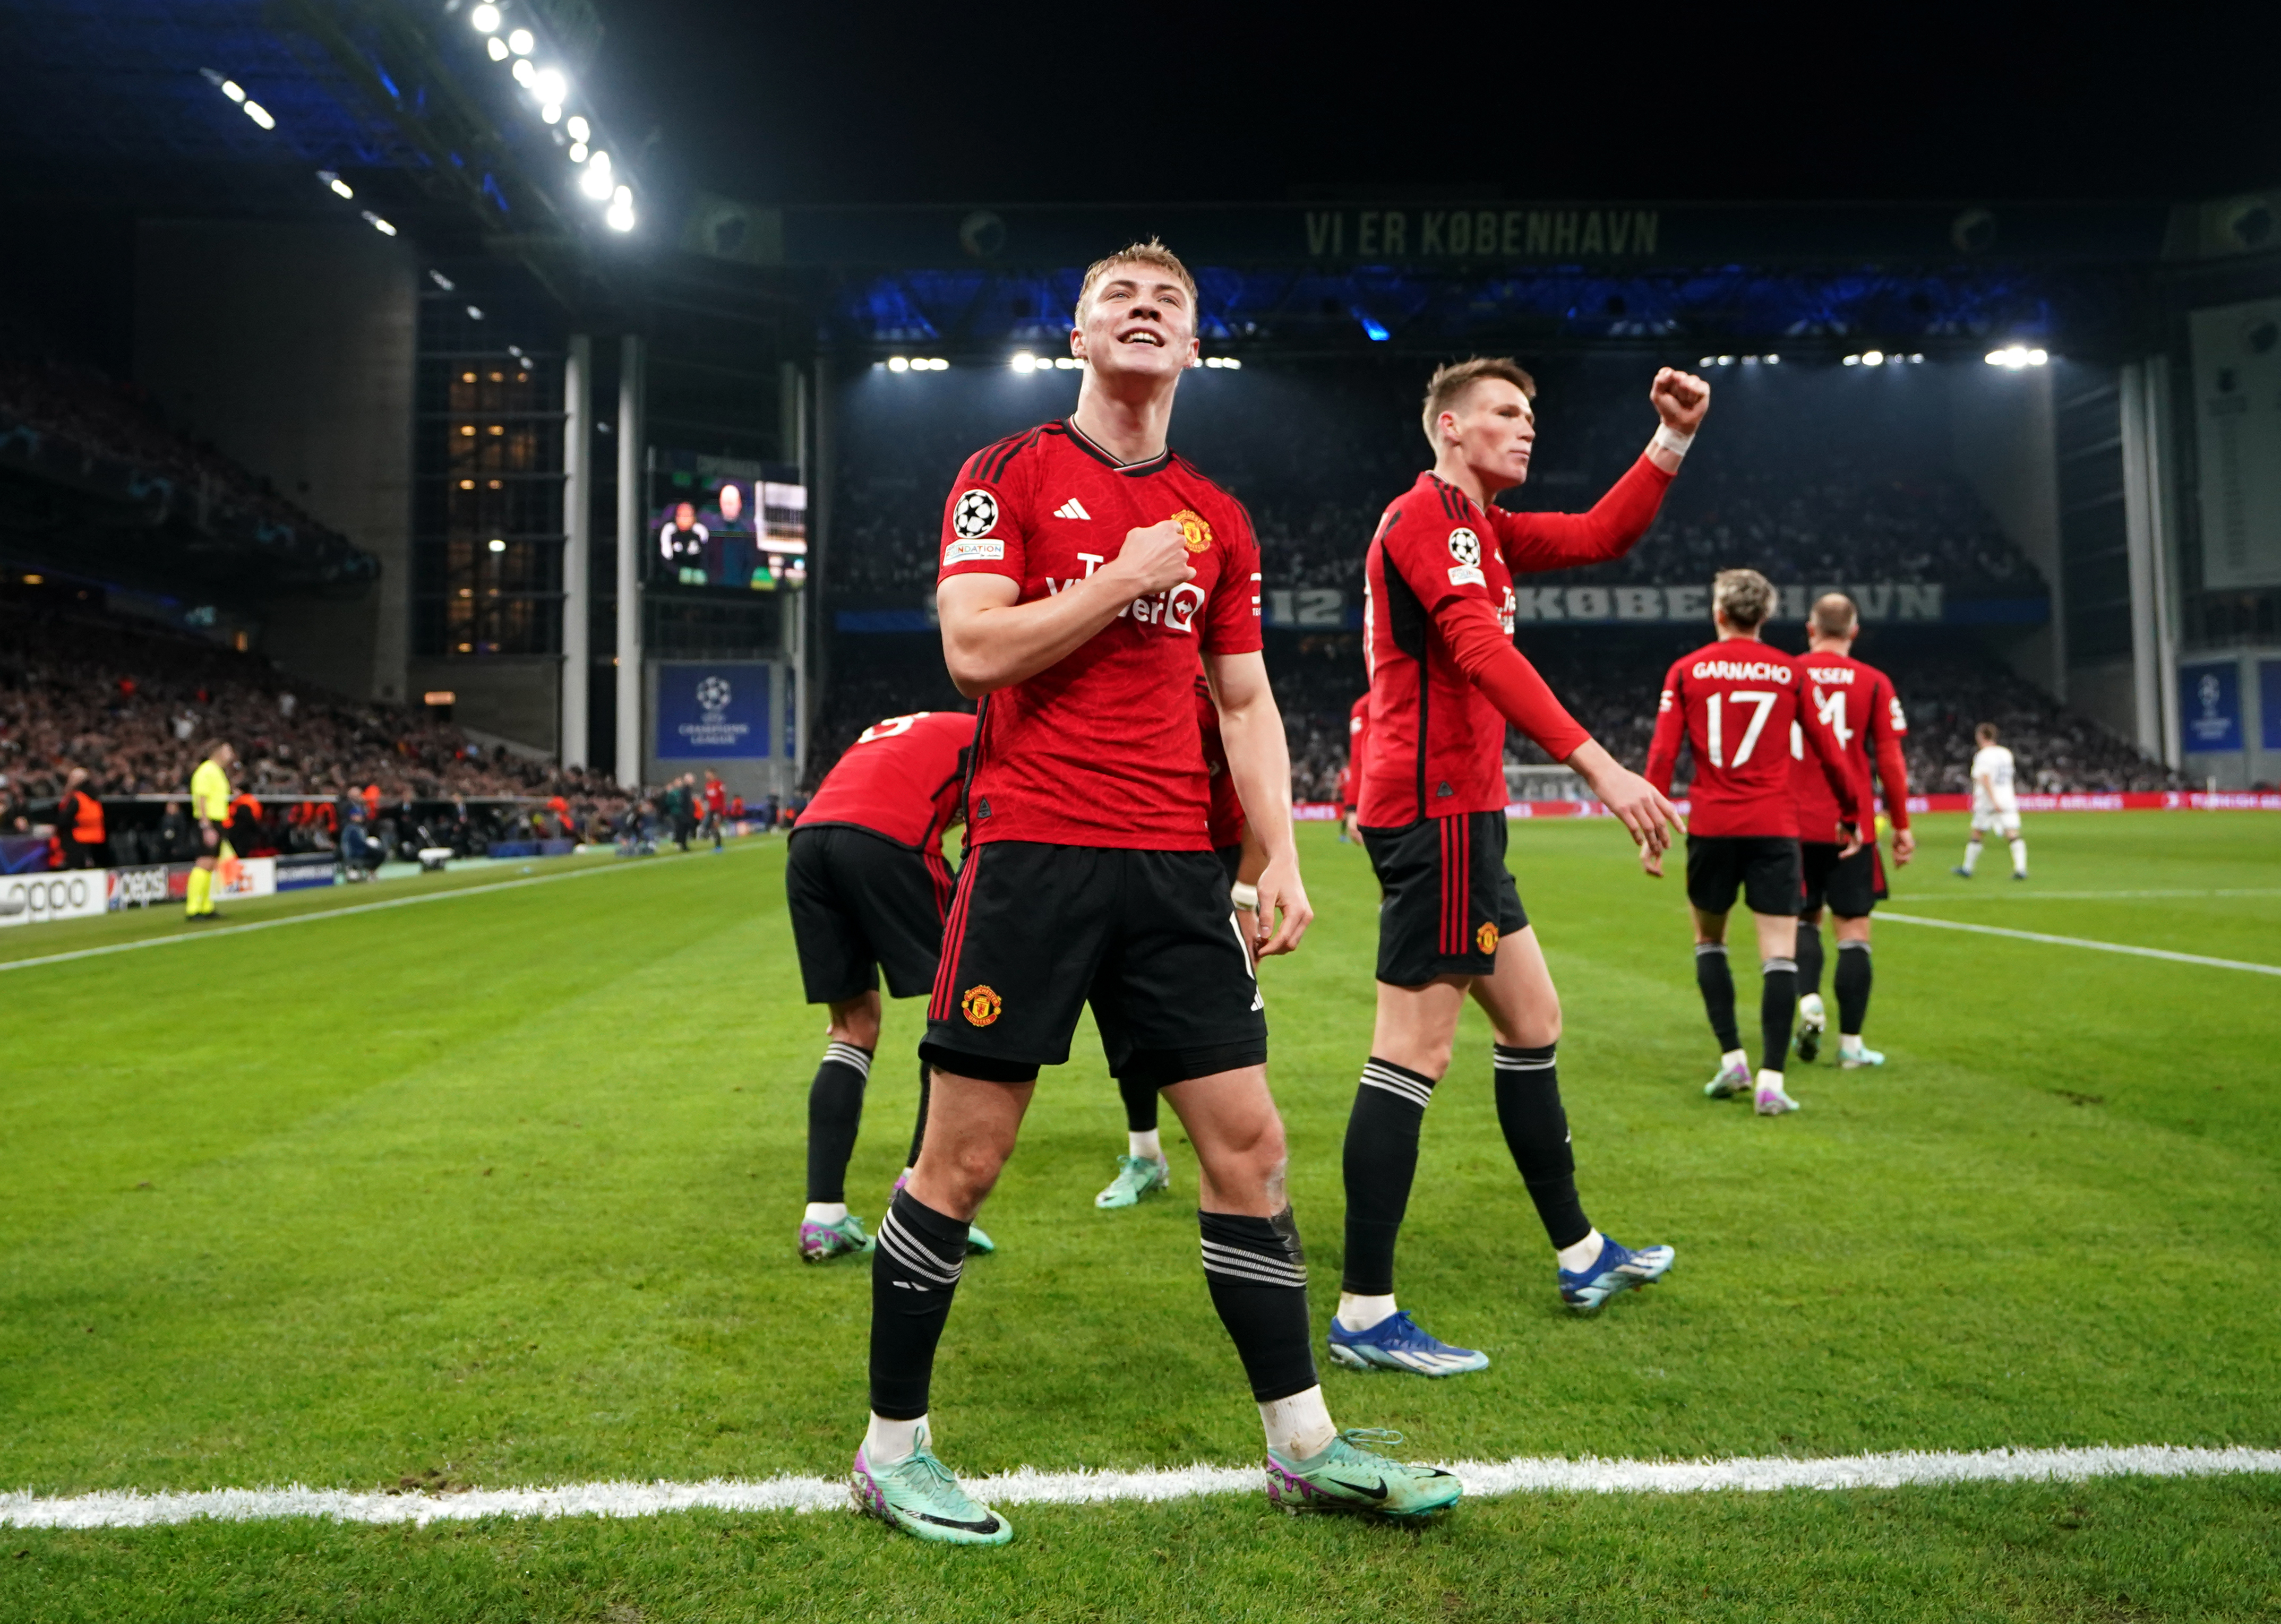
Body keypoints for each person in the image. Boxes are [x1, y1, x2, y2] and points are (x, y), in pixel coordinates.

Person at [852, 239, 1458, 1548]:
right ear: (1077, 337)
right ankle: (889, 1450)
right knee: (962, 1160)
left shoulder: (1218, 517)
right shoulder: (1003, 475)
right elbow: (970, 648)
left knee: (1248, 1150)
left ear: (1193, 349)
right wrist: (1120, 580)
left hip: (1175, 874)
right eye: (1116, 299)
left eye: (1167, 304)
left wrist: (1278, 848)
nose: (1142, 313)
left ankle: (1301, 1445)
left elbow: (1241, 696)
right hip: (1030, 856)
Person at [1333, 355, 1697, 1381]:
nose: (1524, 427)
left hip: (1469, 818)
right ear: (1449, 427)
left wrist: (1669, 438)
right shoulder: (1432, 518)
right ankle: (1365, 1309)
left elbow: (1600, 534)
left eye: (1529, 413)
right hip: (1435, 814)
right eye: (1504, 412)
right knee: (1413, 1051)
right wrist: (1600, 764)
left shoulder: (1482, 528)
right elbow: (1480, 651)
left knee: (1533, 1021)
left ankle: (1581, 1253)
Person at [1643, 569, 1867, 1116]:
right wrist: (1852, 812)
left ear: (1719, 613)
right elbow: (1829, 750)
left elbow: (1662, 754)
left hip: (1714, 825)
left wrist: (1650, 830)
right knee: (1779, 952)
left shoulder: (1686, 670)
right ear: (1765, 616)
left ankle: (1732, 1058)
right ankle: (1771, 1080)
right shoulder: (1790, 671)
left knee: (1709, 940)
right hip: (1774, 827)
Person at [786, 709, 993, 1262]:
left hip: (808, 841)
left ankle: (823, 1217)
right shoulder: (996, 734)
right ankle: (922, 1199)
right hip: (887, 836)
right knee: (961, 1010)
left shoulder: (897, 726)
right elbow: (991, 837)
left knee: (853, 1025)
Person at [1093, 673, 1265, 1210]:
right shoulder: (1108, 676)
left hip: (1213, 850)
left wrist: (1245, 892)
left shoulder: (1215, 685)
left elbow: (1260, 787)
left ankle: (1243, 1146)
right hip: (1126, 846)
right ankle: (1146, 1154)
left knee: (1228, 1004)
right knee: (1126, 1005)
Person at [1789, 593, 1915, 1070]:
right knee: (1855, 932)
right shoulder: (1875, 682)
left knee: (1802, 921)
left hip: (1794, 822)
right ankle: (1851, 1046)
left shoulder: (1787, 673)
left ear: (1810, 628)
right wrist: (1901, 825)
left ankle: (1808, 1001)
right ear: (1855, 632)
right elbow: (1891, 762)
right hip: (1853, 826)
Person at [1954, 723, 2027, 880]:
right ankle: (2021, 869)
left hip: (1989, 801)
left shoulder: (1983, 755)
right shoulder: (2006, 753)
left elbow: (1985, 777)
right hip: (2007, 798)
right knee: (2013, 833)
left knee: (1977, 833)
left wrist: (1993, 800)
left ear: (1981, 736)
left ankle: (1967, 869)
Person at [186, 741, 235, 920]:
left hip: (218, 820)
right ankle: (193, 908)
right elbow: (201, 798)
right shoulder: (206, 771)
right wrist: (206, 826)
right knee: (204, 862)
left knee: (212, 864)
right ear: (217, 752)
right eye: (227, 749)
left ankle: (206, 906)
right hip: (209, 821)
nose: (231, 753)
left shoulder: (216, 771)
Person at [55, 768, 107, 870]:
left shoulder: (77, 798)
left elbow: (64, 820)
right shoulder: (94, 796)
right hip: (96, 839)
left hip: (77, 840)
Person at [1336, 693, 1368, 844]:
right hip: (1348, 795)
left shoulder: (1364, 707)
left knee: (1345, 817)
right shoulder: (1344, 772)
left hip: (1353, 795)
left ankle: (1342, 834)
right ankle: (1342, 835)